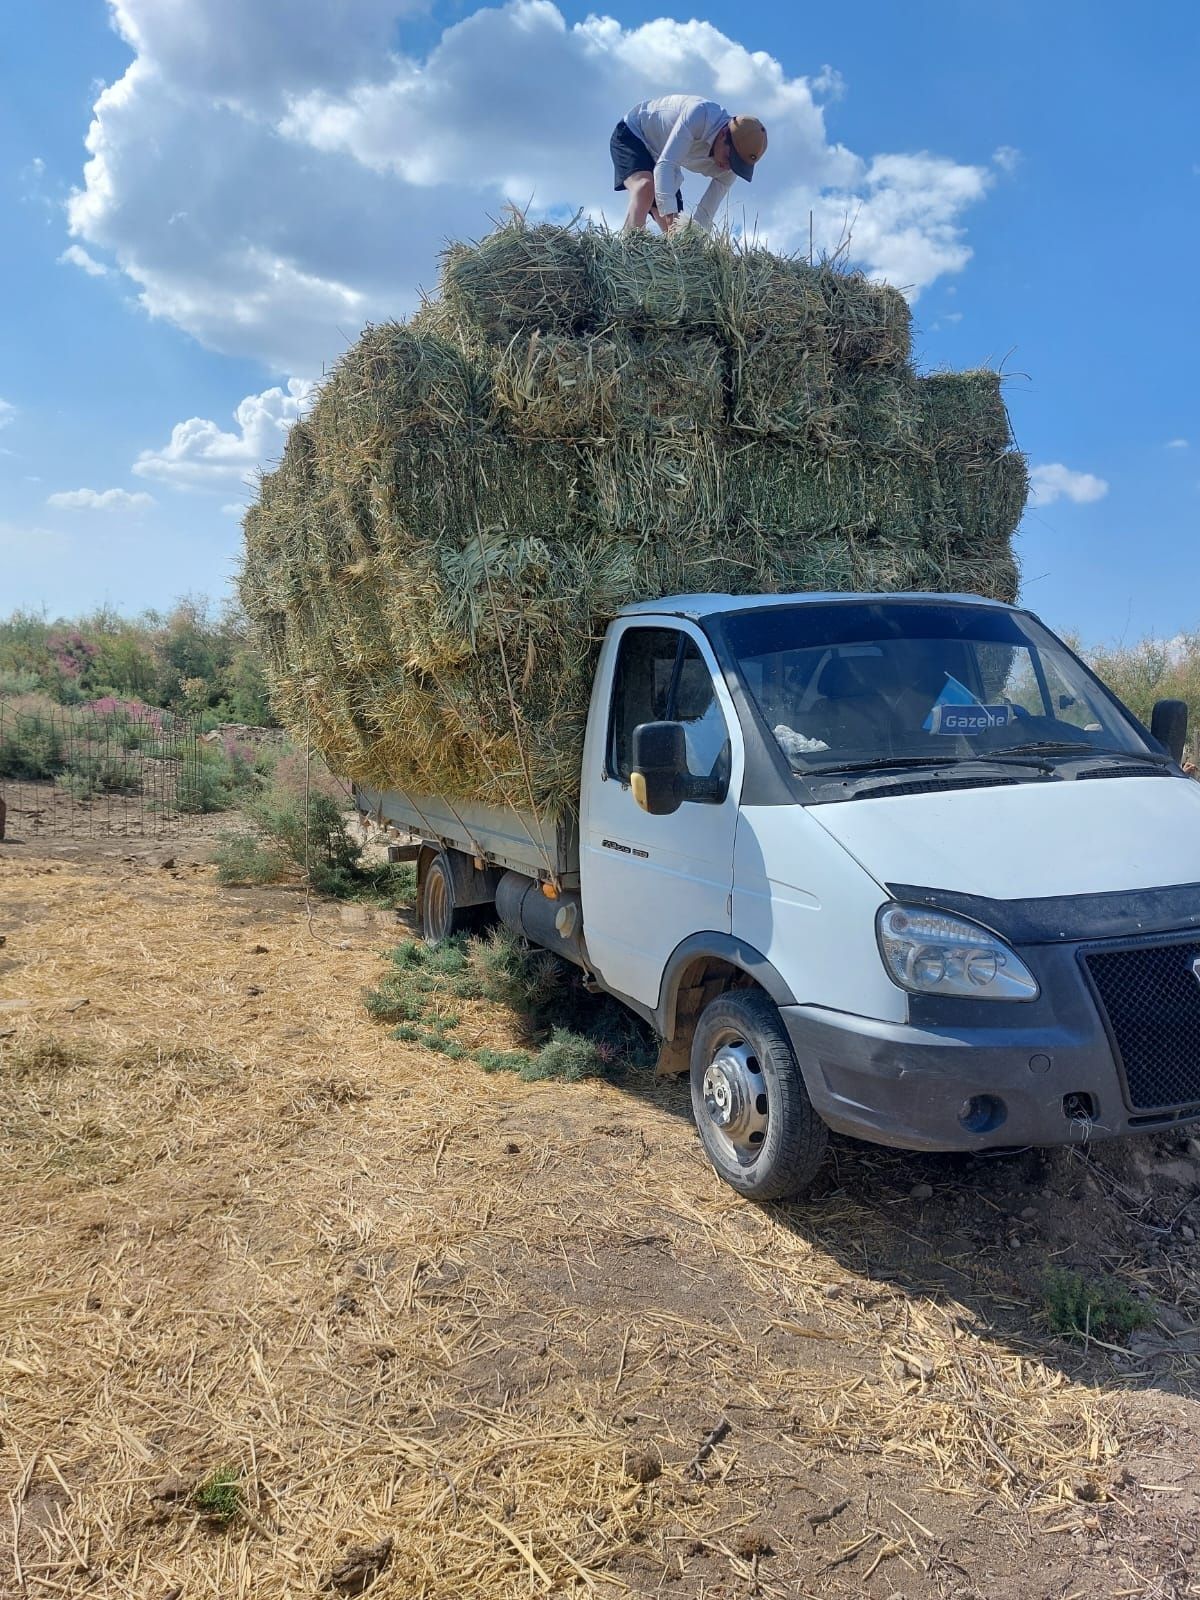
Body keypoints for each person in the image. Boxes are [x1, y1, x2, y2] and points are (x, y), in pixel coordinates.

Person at [611, 94, 768, 235]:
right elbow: (666, 166)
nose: (728, 167)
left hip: (664, 155)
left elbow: (706, 213)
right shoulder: (700, 115)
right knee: (646, 187)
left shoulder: (731, 169)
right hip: (635, 133)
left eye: (736, 164)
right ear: (723, 135)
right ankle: (627, 253)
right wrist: (671, 221)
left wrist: (693, 241)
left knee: (678, 234)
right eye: (729, 158)